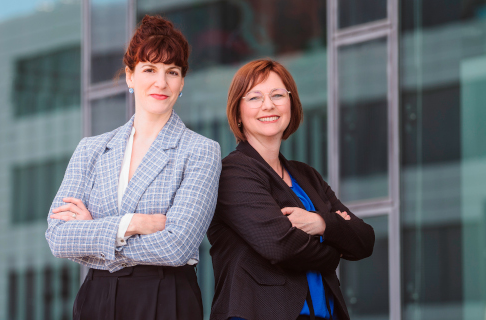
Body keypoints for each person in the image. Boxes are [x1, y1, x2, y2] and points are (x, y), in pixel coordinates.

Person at [45, 15, 221, 320]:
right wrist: (131, 224)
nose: (161, 82)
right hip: (96, 297)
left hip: (164, 296)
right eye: (150, 69)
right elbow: (58, 237)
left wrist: (93, 235)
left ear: (182, 83)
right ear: (130, 76)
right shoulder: (92, 149)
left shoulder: (201, 151)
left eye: (172, 72)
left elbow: (177, 246)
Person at [208, 59, 376, 320]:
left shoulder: (307, 175)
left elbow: (364, 239)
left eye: (277, 95)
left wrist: (321, 223)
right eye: (254, 97)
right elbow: (279, 245)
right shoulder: (233, 173)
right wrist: (334, 251)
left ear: (291, 103)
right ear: (238, 112)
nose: (268, 105)